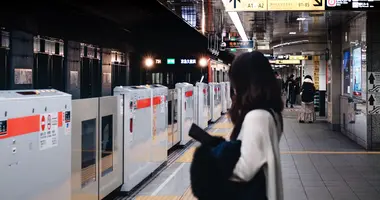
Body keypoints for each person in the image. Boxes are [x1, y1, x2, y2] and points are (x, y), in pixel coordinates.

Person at [190, 51, 284, 200]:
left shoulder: (257, 117)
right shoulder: (272, 113)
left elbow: (244, 170)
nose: (234, 88)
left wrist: (209, 158)